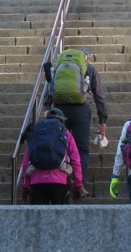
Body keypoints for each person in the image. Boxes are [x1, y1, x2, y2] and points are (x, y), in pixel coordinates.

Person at [43, 48, 108, 197]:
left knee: (59, 146)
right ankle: (80, 186)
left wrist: (47, 108)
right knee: (81, 149)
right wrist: (102, 120)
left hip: (58, 110)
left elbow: (49, 88)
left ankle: (60, 183)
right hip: (81, 111)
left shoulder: (59, 68)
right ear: (87, 58)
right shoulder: (90, 69)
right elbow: (99, 96)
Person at [20, 108, 83, 205]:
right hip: (59, 180)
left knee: (38, 218)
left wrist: (25, 185)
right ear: (62, 120)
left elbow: (26, 162)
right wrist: (78, 184)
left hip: (37, 181)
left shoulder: (36, 132)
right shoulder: (65, 133)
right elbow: (76, 160)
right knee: (59, 217)